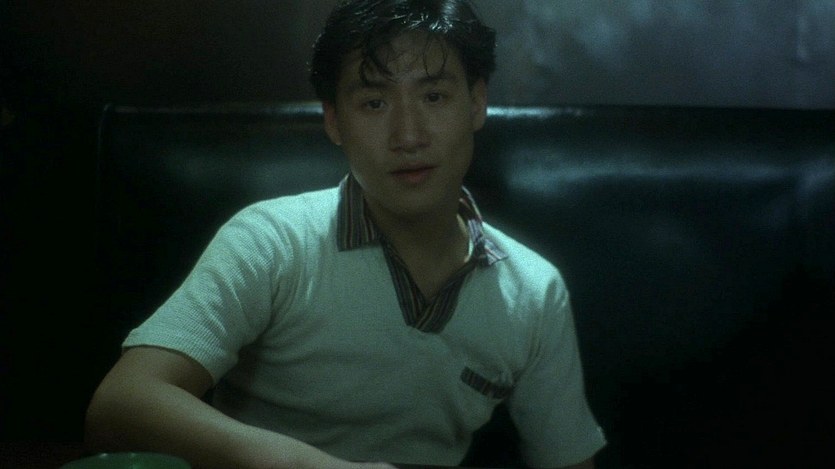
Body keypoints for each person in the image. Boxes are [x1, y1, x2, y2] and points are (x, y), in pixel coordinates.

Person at [84, 1, 606, 468]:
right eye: (374, 103)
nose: (408, 135)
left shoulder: (534, 290)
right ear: (334, 121)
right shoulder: (272, 242)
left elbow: (566, 458)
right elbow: (120, 404)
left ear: (476, 103)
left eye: (434, 96)